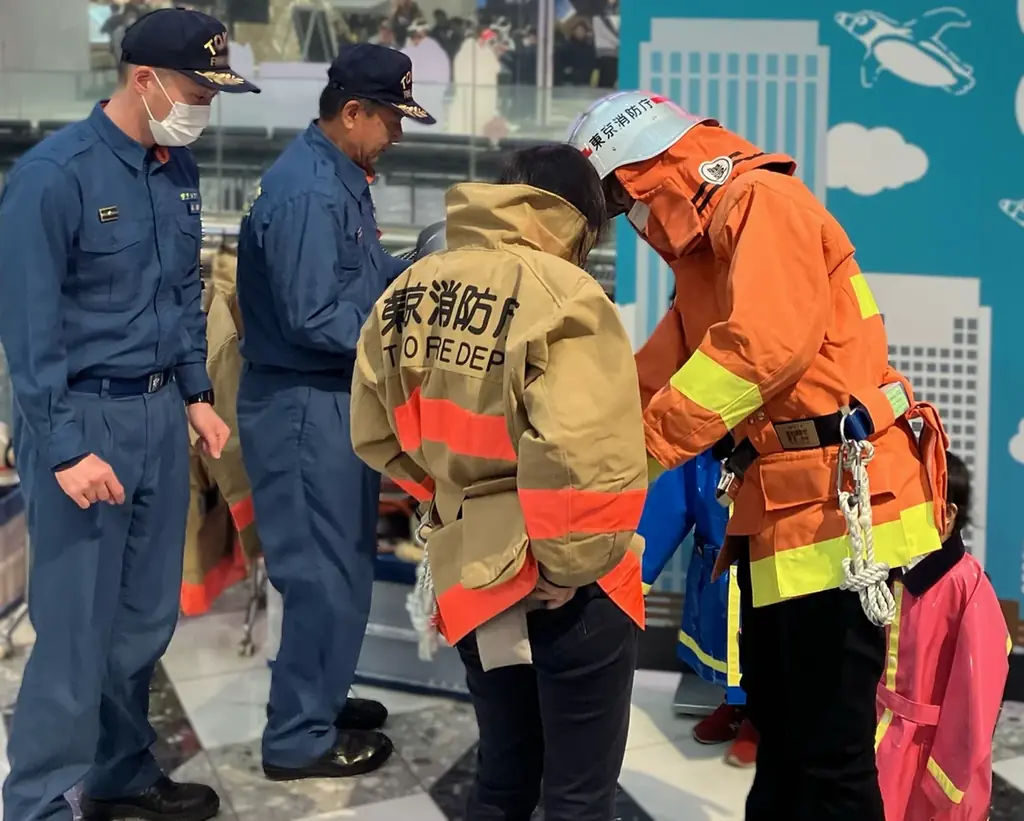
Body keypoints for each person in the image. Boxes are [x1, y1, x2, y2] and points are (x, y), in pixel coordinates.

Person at [568, 91, 949, 821]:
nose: (631, 220)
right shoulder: (709, 247)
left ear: (648, 173)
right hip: (783, 504)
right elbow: (666, 365)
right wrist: (581, 441)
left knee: (830, 752)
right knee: (783, 727)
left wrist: (641, 450)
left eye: (622, 200)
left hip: (839, 508)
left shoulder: (761, 205)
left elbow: (761, 349)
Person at [0, 8, 259, 821]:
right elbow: (28, 330)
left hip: (156, 416)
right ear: (144, 79)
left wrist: (196, 393)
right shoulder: (55, 176)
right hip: (83, 419)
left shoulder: (176, 168)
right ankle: (38, 802)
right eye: (196, 92)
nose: (203, 110)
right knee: (75, 629)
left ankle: (118, 771)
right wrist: (63, 447)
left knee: (145, 619)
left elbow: (181, 293)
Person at [349, 143, 647, 821]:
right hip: (564, 578)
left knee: (504, 775)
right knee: (577, 794)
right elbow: (582, 451)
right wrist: (569, 564)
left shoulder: (411, 289)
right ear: (583, 220)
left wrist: (458, 507)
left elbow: (372, 431)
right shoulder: (564, 294)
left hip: (471, 568)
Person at [235, 43, 435, 781]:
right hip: (301, 405)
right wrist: (408, 337)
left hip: (330, 401)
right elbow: (314, 315)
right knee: (320, 573)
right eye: (391, 119)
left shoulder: (339, 178)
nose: (398, 135)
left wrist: (419, 272)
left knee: (344, 564)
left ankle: (320, 696)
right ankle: (298, 737)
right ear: (352, 112)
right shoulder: (308, 193)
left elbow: (360, 279)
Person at [875, 451, 1010, 821]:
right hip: (876, 734)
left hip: (929, 756)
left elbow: (974, 701)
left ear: (947, 514)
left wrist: (946, 775)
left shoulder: (968, 587)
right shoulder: (887, 570)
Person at [637, 449, 756, 768]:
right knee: (726, 641)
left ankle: (762, 718)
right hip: (717, 566)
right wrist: (637, 574)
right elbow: (671, 503)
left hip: (767, 564)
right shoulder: (704, 439)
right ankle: (737, 703)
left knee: (767, 645)